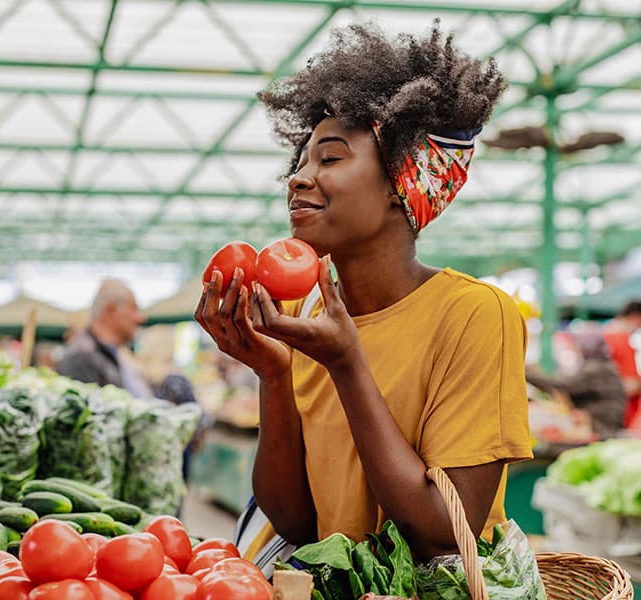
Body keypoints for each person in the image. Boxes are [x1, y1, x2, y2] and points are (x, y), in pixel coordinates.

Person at [195, 22, 532, 568]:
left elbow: (447, 536)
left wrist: (347, 364)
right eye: (300, 163)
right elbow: (298, 521)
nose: (298, 180)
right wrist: (274, 375)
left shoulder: (473, 314)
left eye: (328, 159)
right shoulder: (305, 317)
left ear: (404, 183)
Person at [56, 278, 152, 398]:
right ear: (111, 310)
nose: (141, 318)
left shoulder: (112, 354)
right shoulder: (81, 358)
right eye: (133, 308)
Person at [526, 329, 627, 439]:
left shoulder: (596, 368)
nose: (575, 349)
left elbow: (561, 384)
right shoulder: (602, 366)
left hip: (602, 428)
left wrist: (524, 372)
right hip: (601, 425)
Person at [603, 300, 641, 429]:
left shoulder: (606, 336)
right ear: (635, 318)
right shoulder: (622, 341)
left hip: (609, 411)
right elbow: (631, 385)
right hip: (625, 414)